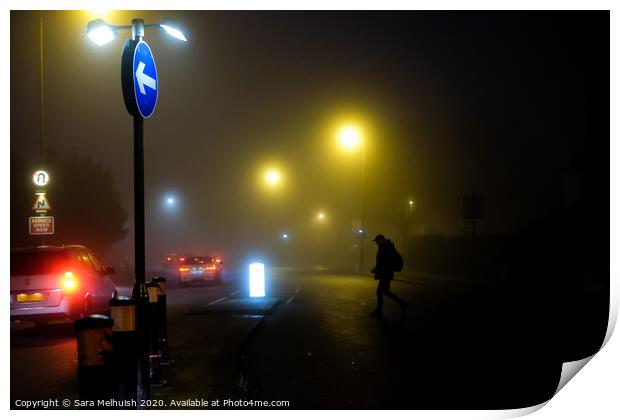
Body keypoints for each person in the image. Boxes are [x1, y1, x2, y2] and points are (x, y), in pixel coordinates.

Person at [370, 234, 408, 320]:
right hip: (386, 273)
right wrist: (376, 269)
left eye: (377, 241)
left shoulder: (385, 248)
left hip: (385, 274)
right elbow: (382, 262)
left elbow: (384, 262)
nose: (376, 243)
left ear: (381, 240)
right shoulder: (385, 247)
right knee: (385, 292)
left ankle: (379, 311)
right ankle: (402, 304)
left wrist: (377, 269)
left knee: (380, 291)